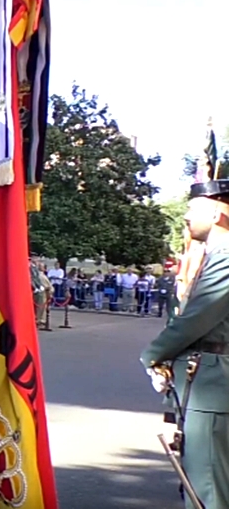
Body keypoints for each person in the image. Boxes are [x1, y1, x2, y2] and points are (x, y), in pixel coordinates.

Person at [141, 169, 229, 509]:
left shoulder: (225, 256)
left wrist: (151, 354)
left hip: (213, 383)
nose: (187, 217)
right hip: (209, 378)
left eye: (193, 209)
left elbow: (197, 317)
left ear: (216, 213)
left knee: (206, 489)